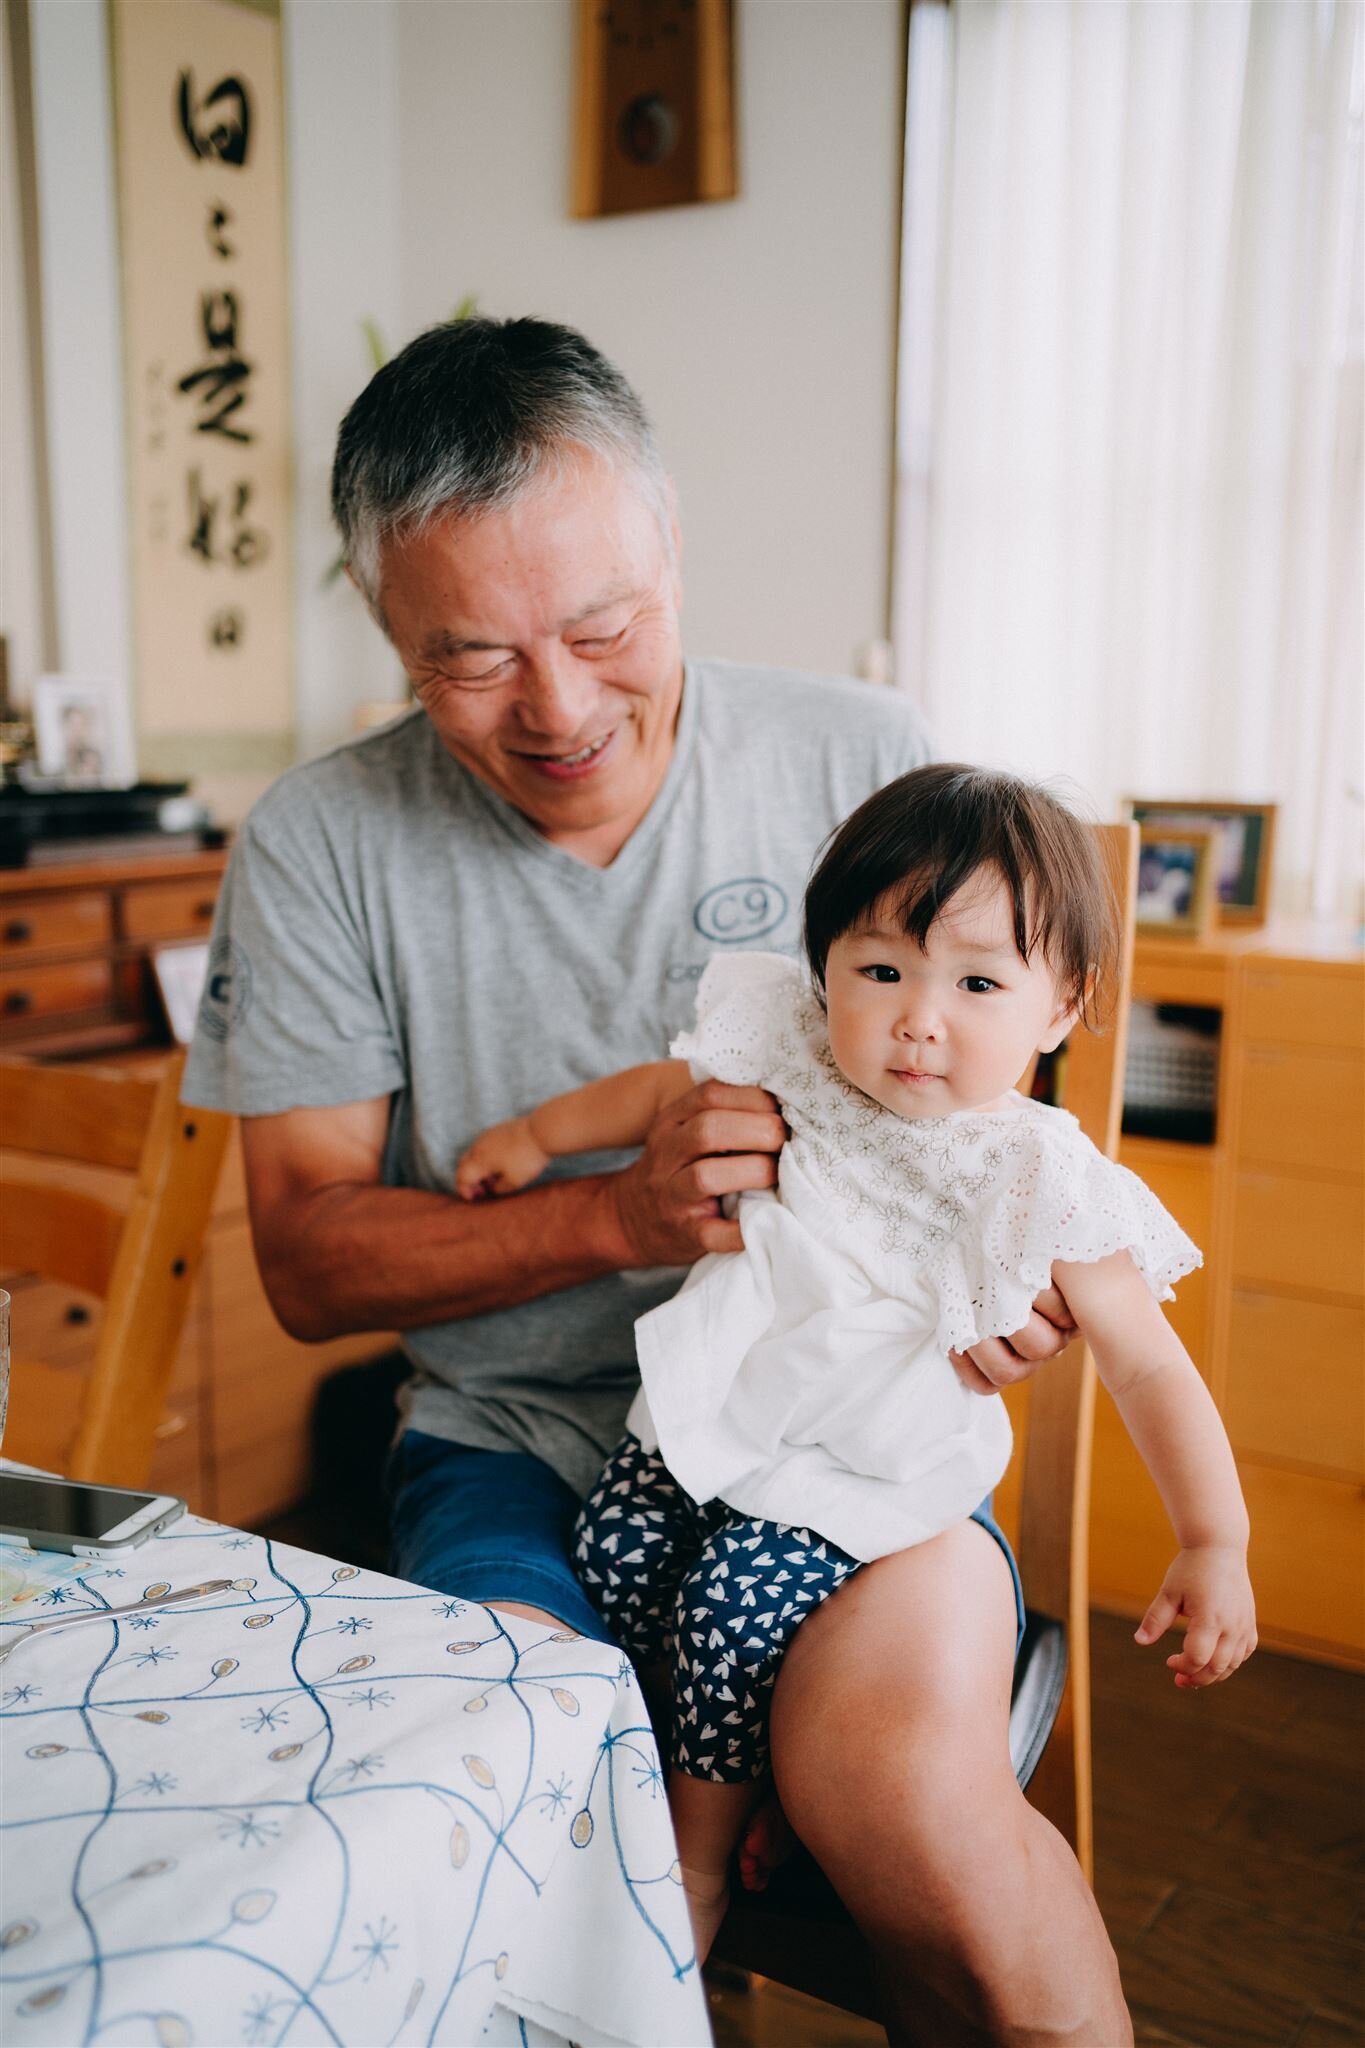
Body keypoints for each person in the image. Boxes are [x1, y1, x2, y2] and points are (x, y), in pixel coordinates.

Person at [184, 315, 1135, 2044]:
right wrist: (613, 1213)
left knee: (906, 1812)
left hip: (846, 1452)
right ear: (385, 624)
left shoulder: (865, 756)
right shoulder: (321, 841)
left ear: (673, 547)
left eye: (604, 626)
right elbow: (309, 1267)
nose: (555, 708)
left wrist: (1017, 1302)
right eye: (465, 658)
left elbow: (1011, 1145)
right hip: (521, 1449)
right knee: (538, 1809)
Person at [456, 763, 1258, 1957]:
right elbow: (653, 1093)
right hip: (712, 1414)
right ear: (824, 964)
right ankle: (739, 1771)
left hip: (859, 1474)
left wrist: (1215, 1538)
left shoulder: (1042, 1175)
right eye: (880, 970)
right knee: (614, 1562)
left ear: (1058, 1007)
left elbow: (1149, 1368)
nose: (919, 1017)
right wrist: (534, 1135)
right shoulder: (795, 1052)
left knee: (726, 1610)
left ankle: (695, 1856)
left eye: (978, 982)